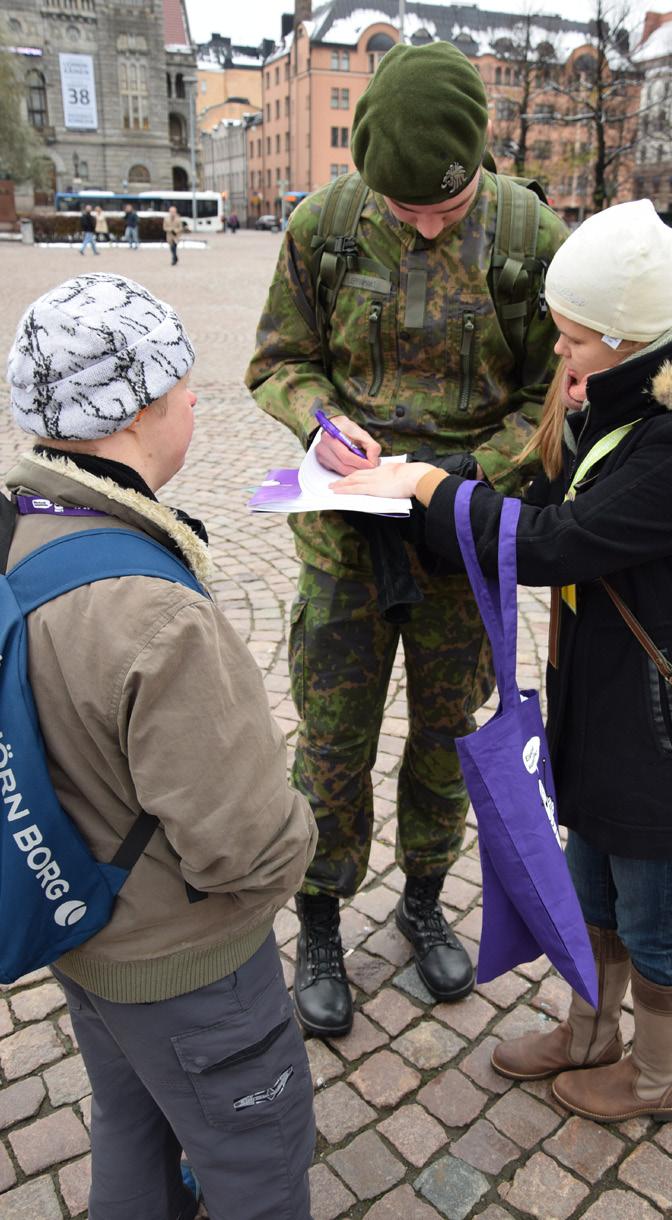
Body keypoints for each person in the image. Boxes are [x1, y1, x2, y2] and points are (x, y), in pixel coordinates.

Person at [331, 199, 672, 1122]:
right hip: (610, 711)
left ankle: (659, 1080)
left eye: (573, 339)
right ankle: (591, 1033)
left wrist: (425, 491)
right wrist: (413, 473)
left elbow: (555, 541)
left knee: (654, 925)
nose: (559, 355)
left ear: (628, 339)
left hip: (671, 737)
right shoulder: (635, 402)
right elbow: (537, 489)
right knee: (589, 891)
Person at [246, 39, 567, 1038]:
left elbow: (548, 395)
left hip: (462, 540)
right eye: (405, 209)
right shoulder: (324, 226)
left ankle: (423, 897)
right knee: (331, 743)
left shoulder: (528, 233)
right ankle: (320, 915)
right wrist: (317, 421)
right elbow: (277, 360)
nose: (426, 223)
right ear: (365, 175)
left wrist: (467, 480)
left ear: (481, 161)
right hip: (345, 539)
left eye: (446, 204)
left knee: (446, 736)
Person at [5, 273, 318, 1216]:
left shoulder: (21, 527)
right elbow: (244, 846)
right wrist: (301, 819)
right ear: (140, 406)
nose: (194, 405)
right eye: (186, 388)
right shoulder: (154, 612)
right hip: (189, 966)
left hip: (80, 930)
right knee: (257, 1159)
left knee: (131, 1121)